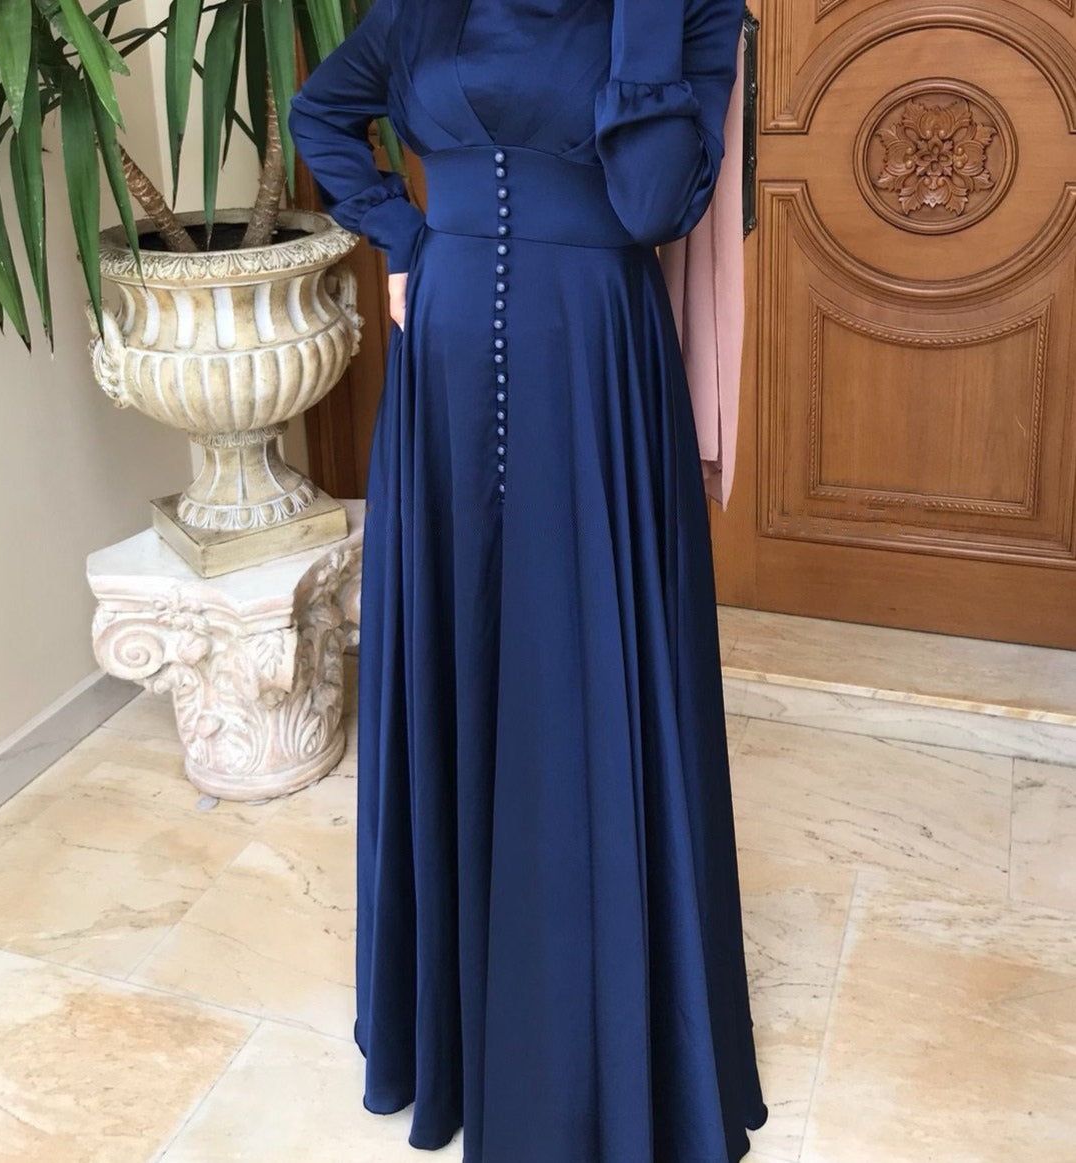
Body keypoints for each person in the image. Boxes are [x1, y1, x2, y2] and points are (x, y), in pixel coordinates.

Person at [288, 0, 769, 1159]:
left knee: (584, 670)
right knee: (458, 648)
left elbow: (651, 204)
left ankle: (595, 1039)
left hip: (595, 362)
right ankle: (453, 1015)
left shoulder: (689, 13)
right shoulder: (423, 7)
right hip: (445, 362)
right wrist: (401, 238)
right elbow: (320, 112)